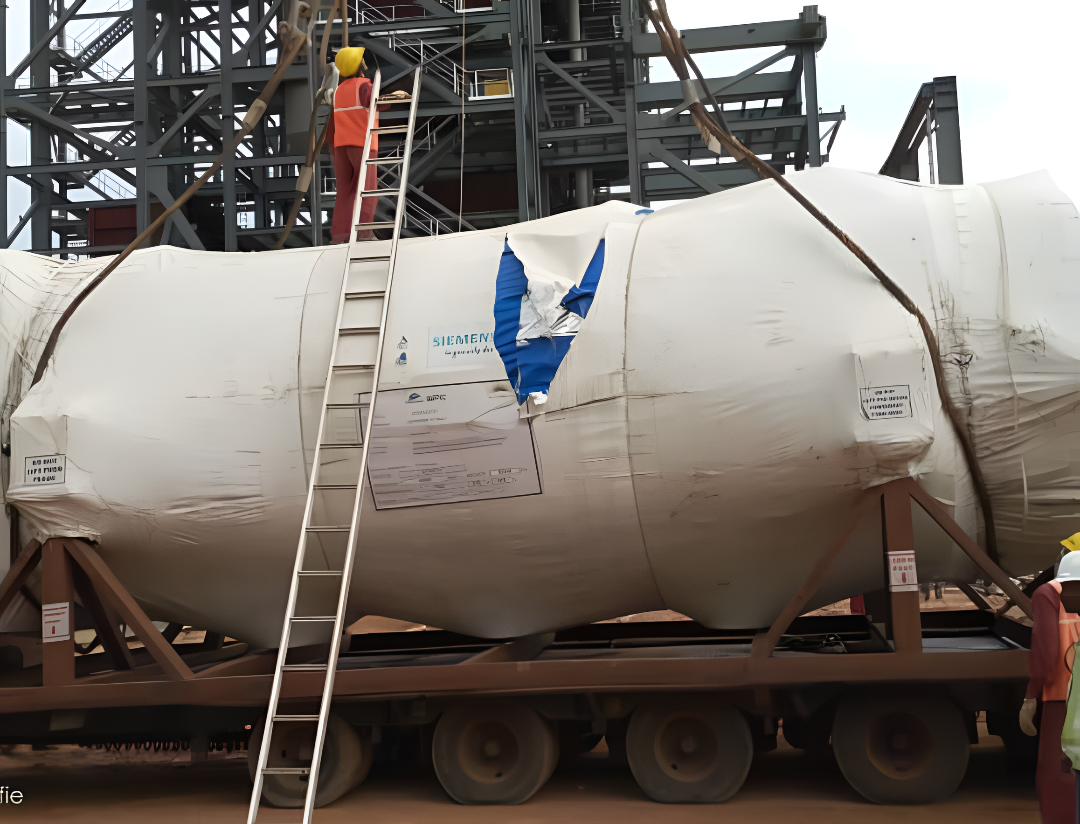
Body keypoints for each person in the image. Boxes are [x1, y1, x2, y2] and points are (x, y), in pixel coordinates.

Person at [1021, 533, 1080, 823]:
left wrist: (1030, 695)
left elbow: (1045, 649)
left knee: (1057, 774)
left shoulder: (1049, 594)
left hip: (1062, 696)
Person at [325, 47, 380, 244]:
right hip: (363, 144)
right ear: (359, 65)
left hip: (341, 146)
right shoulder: (364, 85)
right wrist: (396, 96)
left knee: (344, 192)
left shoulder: (339, 90)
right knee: (367, 189)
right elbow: (379, 103)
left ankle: (340, 235)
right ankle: (364, 233)